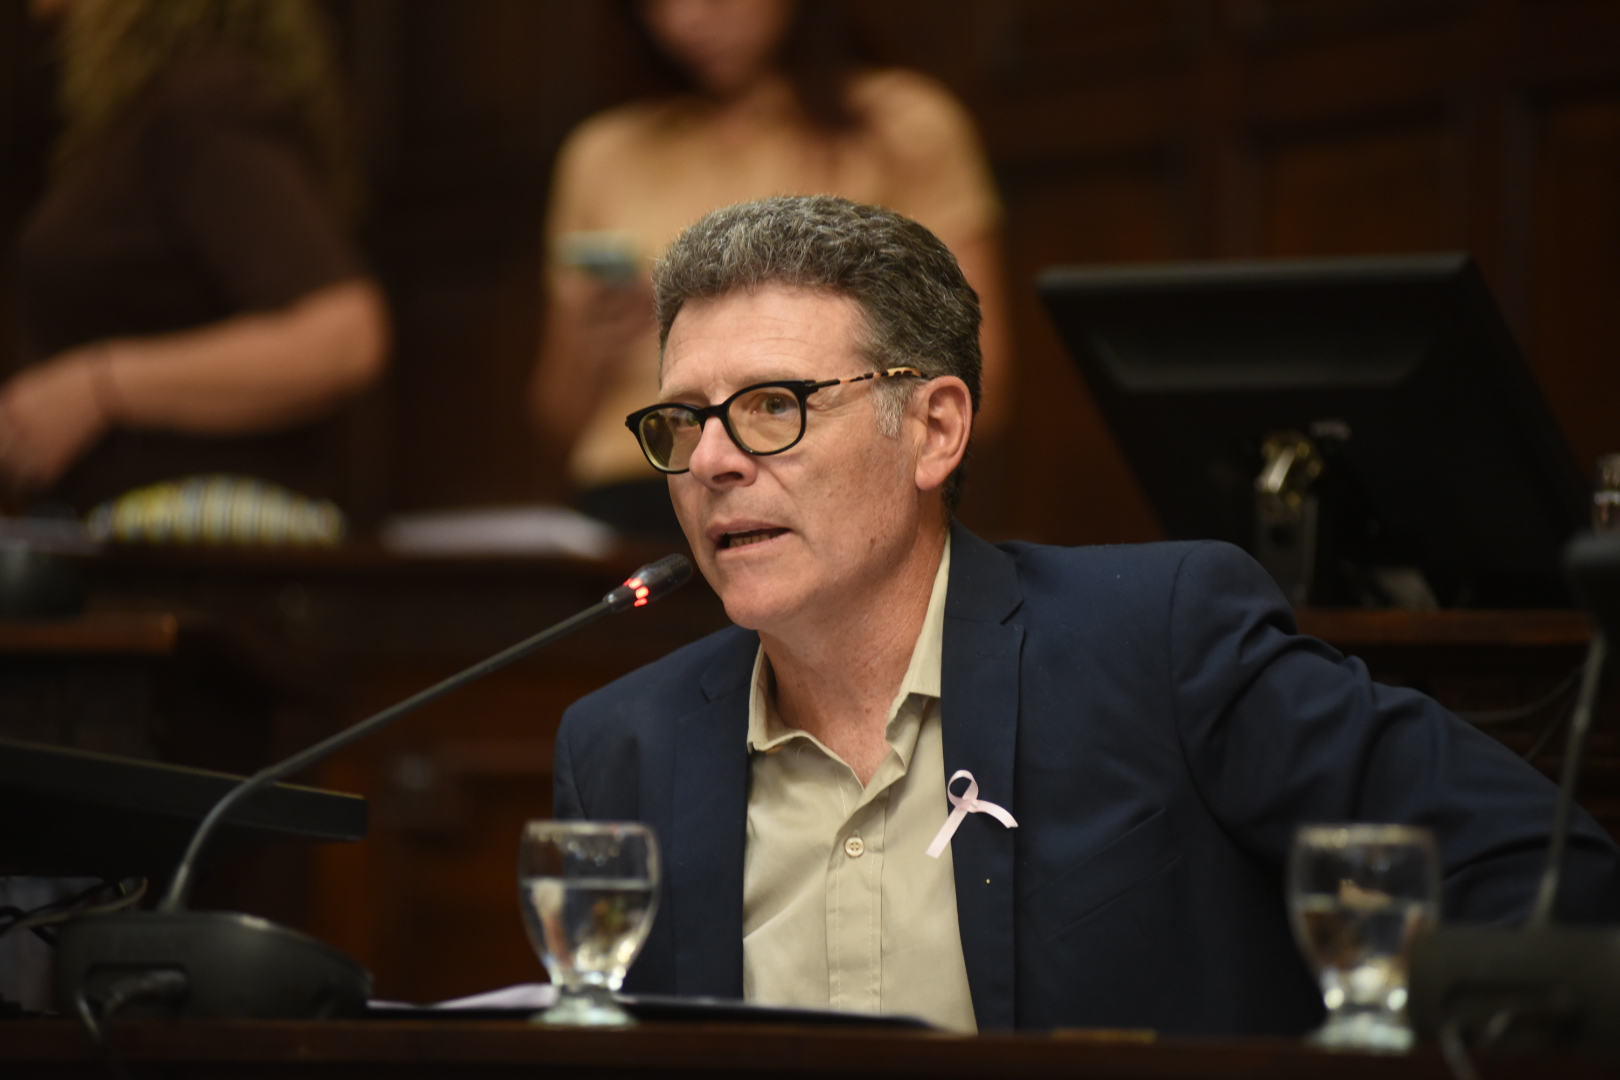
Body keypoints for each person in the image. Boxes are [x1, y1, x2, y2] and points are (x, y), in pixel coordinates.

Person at [552, 195, 1620, 1035]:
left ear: (934, 430)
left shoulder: (1156, 644)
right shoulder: (624, 749)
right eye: (680, 421)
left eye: (771, 407)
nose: (712, 461)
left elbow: (1538, 871)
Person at [528, 0, 1009, 536]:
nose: (685, 21)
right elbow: (557, 415)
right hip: (632, 486)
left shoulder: (903, 124)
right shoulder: (602, 153)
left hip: (820, 475)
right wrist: (598, 337)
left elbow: (981, 377)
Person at [0, 0, 389, 511]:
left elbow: (342, 335)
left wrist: (96, 387)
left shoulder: (203, 103)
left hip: (198, 540)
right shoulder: (141, 117)